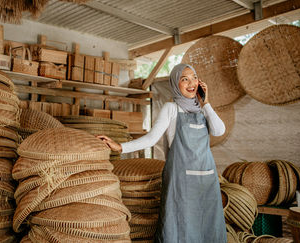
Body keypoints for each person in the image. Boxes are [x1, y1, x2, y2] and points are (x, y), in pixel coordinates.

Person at [97, 63, 227, 243]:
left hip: (207, 179)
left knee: (208, 226)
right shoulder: (171, 109)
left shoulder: (204, 110)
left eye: (194, 77)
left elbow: (219, 130)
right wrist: (121, 147)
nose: (191, 83)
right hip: (180, 181)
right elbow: (151, 139)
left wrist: (206, 103)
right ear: (175, 83)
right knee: (179, 225)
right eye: (184, 79)